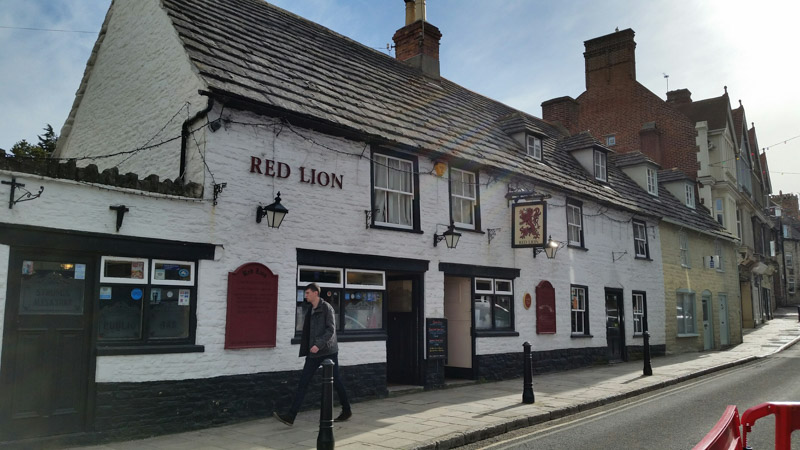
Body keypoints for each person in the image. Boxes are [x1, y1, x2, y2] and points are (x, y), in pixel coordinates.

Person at [274, 282, 352, 426]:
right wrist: (309, 347)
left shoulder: (327, 308)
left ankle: (346, 410)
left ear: (316, 293)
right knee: (303, 383)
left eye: (308, 293)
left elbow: (331, 330)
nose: (306, 295)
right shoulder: (310, 309)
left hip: (328, 351)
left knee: (337, 381)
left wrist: (318, 344)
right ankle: (291, 416)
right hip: (313, 353)